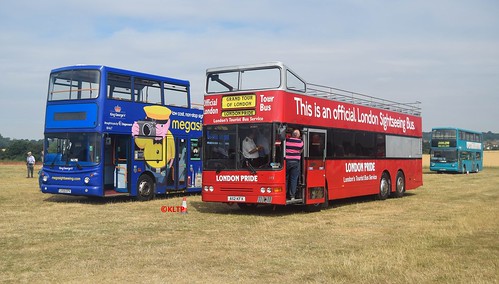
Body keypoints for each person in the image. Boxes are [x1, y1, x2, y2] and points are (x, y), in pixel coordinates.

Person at [286, 129, 303, 200]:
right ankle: (292, 195)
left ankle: (284, 193)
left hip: (287, 161)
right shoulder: (300, 142)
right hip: (296, 162)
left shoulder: (287, 141)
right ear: (298, 136)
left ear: (292, 134)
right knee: (294, 179)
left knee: (286, 178)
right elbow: (301, 151)